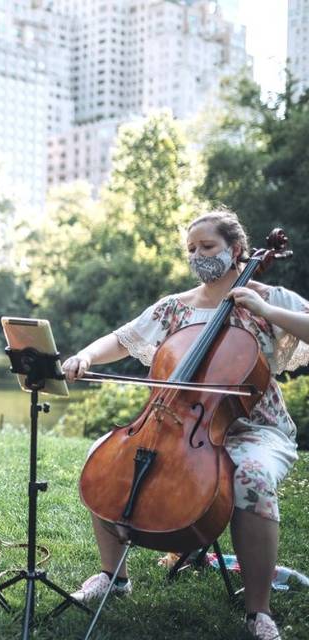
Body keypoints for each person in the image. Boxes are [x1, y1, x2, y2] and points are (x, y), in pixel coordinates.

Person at [62, 209, 309, 640]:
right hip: (177, 425)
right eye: (191, 248)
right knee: (104, 454)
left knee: (251, 476)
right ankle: (113, 576)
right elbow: (121, 339)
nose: (197, 255)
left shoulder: (268, 298)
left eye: (207, 246)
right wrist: (84, 355)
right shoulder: (176, 308)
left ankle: (258, 611)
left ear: (235, 250)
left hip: (255, 428)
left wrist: (265, 308)